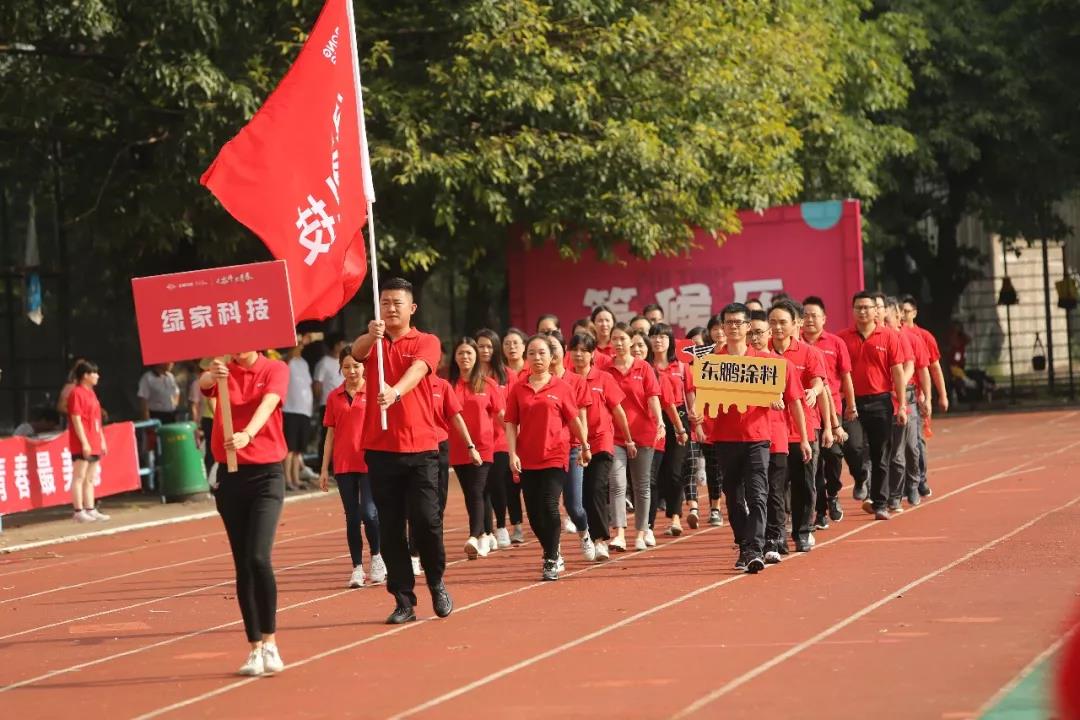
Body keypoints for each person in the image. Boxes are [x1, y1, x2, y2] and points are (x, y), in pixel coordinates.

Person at [351, 278, 455, 625]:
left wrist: (395, 392)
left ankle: (436, 580)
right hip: (381, 448)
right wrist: (371, 335)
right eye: (385, 302)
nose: (391, 308)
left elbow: (419, 370)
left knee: (427, 521)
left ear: (412, 308)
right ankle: (403, 599)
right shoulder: (374, 343)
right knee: (390, 527)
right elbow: (356, 353)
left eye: (397, 303)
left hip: (421, 447)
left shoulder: (426, 341)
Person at [200, 350, 290, 676]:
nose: (241, 347)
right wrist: (212, 374)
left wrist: (248, 433)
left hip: (266, 475)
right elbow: (204, 384)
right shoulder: (223, 369)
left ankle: (270, 641)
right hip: (230, 476)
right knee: (243, 564)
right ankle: (254, 648)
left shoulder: (275, 368)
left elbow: (269, 403)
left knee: (258, 557)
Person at [707, 303, 804, 574]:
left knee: (758, 494)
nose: (734, 327)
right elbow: (704, 399)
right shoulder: (713, 363)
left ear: (748, 327)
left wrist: (774, 400)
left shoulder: (766, 363)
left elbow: (787, 398)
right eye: (729, 323)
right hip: (725, 437)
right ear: (723, 327)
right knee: (733, 496)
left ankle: (754, 549)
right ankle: (743, 543)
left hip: (758, 437)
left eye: (739, 322)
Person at [504, 334, 591, 581]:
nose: (537, 357)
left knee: (550, 505)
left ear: (552, 357)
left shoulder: (562, 388)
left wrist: (585, 445)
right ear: (526, 357)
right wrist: (512, 453)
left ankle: (551, 559)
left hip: (555, 454)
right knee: (534, 514)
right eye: (532, 353)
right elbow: (510, 422)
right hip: (527, 457)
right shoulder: (518, 388)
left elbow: (574, 420)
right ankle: (551, 549)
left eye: (542, 353)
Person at [318, 345, 386, 589]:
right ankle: (357, 567)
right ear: (340, 368)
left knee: (369, 512)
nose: (352, 371)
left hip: (369, 462)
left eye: (356, 366)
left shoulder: (375, 392)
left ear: (364, 367)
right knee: (352, 517)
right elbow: (330, 434)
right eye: (346, 367)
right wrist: (324, 469)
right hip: (344, 464)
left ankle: (377, 557)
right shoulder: (333, 397)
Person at [837, 291, 907, 521]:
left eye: (867, 307)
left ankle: (880, 503)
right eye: (858, 307)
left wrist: (902, 405)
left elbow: (898, 372)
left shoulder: (888, 336)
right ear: (853, 310)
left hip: (880, 402)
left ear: (876, 310)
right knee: (852, 446)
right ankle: (860, 477)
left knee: (881, 454)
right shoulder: (842, 338)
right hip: (852, 402)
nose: (863, 311)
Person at [768, 299, 830, 552]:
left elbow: (819, 382)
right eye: (773, 322)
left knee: (804, 483)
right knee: (776, 486)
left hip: (803, 426)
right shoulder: (762, 353)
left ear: (796, 324)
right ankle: (777, 533)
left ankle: (803, 531)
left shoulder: (809, 352)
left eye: (783, 322)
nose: (777, 327)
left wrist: (814, 391)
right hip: (773, 429)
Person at [747, 310, 808, 563]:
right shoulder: (738, 365)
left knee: (774, 491)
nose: (754, 337)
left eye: (759, 332)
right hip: (747, 437)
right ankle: (753, 541)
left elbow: (795, 402)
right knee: (753, 493)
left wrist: (804, 438)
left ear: (769, 334)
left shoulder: (782, 365)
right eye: (750, 333)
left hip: (776, 437)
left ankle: (775, 538)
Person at [569, 333, 634, 561]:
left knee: (596, 488)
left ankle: (600, 540)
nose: (579, 354)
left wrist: (628, 439)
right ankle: (588, 533)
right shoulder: (565, 379)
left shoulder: (603, 378)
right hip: (574, 444)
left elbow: (618, 411)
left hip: (601, 441)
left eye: (584, 350)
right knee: (579, 497)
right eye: (575, 350)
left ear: (592, 354)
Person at [606, 323, 664, 552]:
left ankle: (641, 532)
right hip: (615, 434)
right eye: (615, 339)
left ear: (631, 341)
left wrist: (660, 421)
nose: (619, 343)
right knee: (617, 483)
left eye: (623, 339)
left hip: (643, 432)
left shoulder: (644, 367)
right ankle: (619, 533)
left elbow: (653, 397)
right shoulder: (606, 369)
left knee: (641, 485)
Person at [801, 296, 854, 528]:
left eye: (814, 315)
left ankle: (832, 493)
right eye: (805, 315)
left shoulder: (835, 343)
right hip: (805, 411)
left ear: (824, 318)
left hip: (832, 407)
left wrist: (850, 405)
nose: (809, 319)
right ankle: (820, 511)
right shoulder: (795, 343)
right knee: (813, 462)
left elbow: (845, 376)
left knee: (833, 455)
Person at [448, 337, 502, 559]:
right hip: (458, 447)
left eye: (469, 353)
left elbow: (501, 415)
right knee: (474, 493)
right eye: (460, 353)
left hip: (483, 446)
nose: (465, 357)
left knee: (476, 490)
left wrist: (516, 441)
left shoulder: (488, 384)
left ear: (476, 357)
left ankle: (474, 536)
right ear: (455, 357)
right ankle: (486, 533)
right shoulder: (449, 385)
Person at [884, 297, 932, 511]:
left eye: (887, 319)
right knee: (891, 451)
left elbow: (922, 368)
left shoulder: (909, 338)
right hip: (884, 398)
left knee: (912, 447)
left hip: (908, 396)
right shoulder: (878, 339)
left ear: (898, 317)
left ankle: (913, 484)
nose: (884, 324)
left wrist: (927, 397)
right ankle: (892, 494)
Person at [900, 295, 948, 497]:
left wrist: (940, 396)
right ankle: (903, 482)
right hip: (896, 396)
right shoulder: (893, 334)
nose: (903, 315)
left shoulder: (924, 337)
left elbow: (933, 368)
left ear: (914, 313)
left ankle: (920, 479)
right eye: (900, 311)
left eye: (906, 311)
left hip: (916, 396)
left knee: (916, 440)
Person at [646, 323, 692, 536]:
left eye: (663, 336)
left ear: (671, 341)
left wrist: (693, 417)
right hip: (652, 418)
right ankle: (648, 524)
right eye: (654, 336)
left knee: (674, 471)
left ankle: (675, 517)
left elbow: (689, 392)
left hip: (678, 417)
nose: (658, 340)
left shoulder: (680, 366)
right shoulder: (645, 366)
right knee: (653, 473)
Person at [475, 328, 515, 548]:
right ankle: (486, 531)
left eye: (489, 346)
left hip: (501, 439)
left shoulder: (507, 375)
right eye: (480, 346)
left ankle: (500, 526)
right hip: (479, 439)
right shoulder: (470, 376)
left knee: (497, 483)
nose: (485, 350)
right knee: (481, 487)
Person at [67, 360, 109, 523]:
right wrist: (84, 442)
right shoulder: (76, 393)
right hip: (83, 441)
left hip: (94, 438)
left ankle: (90, 508)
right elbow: (76, 419)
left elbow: (97, 419)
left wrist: (102, 439)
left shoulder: (91, 393)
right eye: (94, 373)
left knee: (90, 477)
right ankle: (78, 511)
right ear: (85, 375)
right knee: (79, 476)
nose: (97, 376)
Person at [282, 342, 315, 492]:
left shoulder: (304, 363)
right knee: (289, 448)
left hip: (305, 411)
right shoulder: (287, 360)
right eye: (297, 345)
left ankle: (296, 478)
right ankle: (287, 479)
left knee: (298, 450)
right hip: (290, 409)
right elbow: (287, 358)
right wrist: (293, 348)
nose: (300, 347)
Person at [313, 334, 347, 473]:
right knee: (327, 436)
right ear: (335, 345)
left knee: (343, 436)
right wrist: (319, 401)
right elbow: (317, 384)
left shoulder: (345, 361)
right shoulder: (324, 362)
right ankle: (324, 467)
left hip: (345, 405)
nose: (343, 346)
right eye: (341, 343)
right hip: (327, 405)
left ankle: (339, 466)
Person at [189, 359, 217, 477]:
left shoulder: (219, 380)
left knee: (217, 452)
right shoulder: (197, 383)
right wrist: (195, 424)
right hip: (209, 419)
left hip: (217, 419)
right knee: (211, 453)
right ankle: (205, 478)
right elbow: (194, 405)